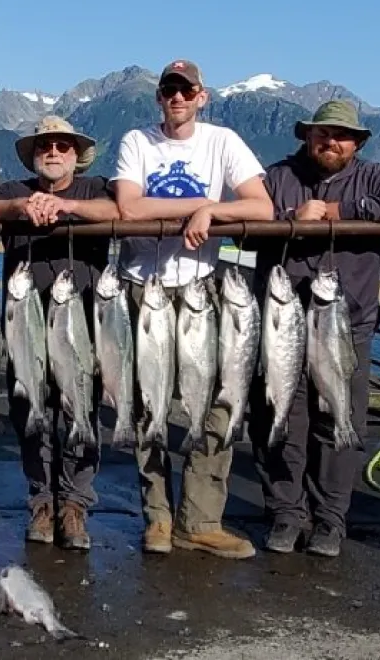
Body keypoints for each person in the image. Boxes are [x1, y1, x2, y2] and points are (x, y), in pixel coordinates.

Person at [246, 99, 380, 558]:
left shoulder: (376, 177)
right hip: (281, 324)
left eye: (341, 135)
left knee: (337, 423)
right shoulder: (276, 177)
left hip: (347, 325)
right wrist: (290, 220)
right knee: (280, 418)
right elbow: (242, 225)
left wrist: (341, 211)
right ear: (306, 136)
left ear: (357, 143)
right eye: (322, 133)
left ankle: (331, 520)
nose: (331, 141)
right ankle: (286, 513)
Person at [113, 58, 273, 559]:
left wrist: (212, 209)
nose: (177, 98)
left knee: (219, 403)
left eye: (187, 90)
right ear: (159, 98)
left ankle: (200, 520)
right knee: (148, 405)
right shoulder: (136, 141)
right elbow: (129, 208)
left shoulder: (223, 141)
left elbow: (261, 206)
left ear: (202, 96)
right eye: (169, 90)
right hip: (142, 288)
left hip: (203, 289)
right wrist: (196, 205)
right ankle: (157, 518)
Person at [0, 115, 119, 551]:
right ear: (33, 154)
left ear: (76, 155)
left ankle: (76, 504)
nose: (54, 152)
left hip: (82, 326)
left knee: (81, 408)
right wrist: (24, 209)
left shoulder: (95, 188)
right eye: (45, 146)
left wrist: (68, 208)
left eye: (63, 146)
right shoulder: (14, 190)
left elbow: (116, 212)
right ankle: (41, 502)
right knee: (31, 413)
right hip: (24, 326)